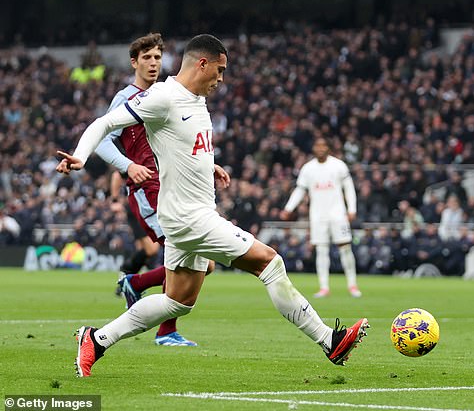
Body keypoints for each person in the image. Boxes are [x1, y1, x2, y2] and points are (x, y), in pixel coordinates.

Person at [56, 34, 369, 377]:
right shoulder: (163, 97)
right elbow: (106, 122)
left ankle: (96, 339)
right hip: (189, 217)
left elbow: (183, 143)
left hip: (186, 214)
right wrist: (81, 158)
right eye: (219, 71)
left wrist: (208, 165)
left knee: (177, 301)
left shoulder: (197, 99)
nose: (221, 80)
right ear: (201, 63)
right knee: (269, 262)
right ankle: (329, 340)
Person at [94, 33, 201, 347]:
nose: (154, 63)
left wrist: (208, 164)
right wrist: (128, 166)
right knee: (183, 259)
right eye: (147, 58)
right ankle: (166, 331)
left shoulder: (168, 93)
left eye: (157, 57)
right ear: (134, 62)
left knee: (203, 263)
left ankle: (135, 282)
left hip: (175, 186)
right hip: (148, 189)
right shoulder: (125, 98)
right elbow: (101, 139)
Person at [280, 137, 362, 298]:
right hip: (317, 215)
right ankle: (324, 287)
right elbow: (300, 190)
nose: (320, 149)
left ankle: (352, 285)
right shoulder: (308, 169)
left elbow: (349, 188)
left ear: (328, 148)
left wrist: (352, 209)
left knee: (345, 247)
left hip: (338, 214)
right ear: (313, 149)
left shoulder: (338, 165)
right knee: (321, 250)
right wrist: (288, 208)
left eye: (323, 145)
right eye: (317, 146)